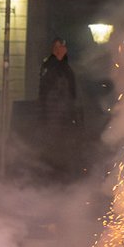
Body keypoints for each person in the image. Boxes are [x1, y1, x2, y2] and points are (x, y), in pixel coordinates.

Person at [37, 37, 80, 176]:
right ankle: (55, 177)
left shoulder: (63, 66)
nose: (60, 49)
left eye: (62, 47)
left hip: (63, 117)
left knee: (62, 150)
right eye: (58, 47)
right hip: (55, 118)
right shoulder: (52, 66)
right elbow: (51, 94)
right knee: (55, 149)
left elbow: (71, 94)